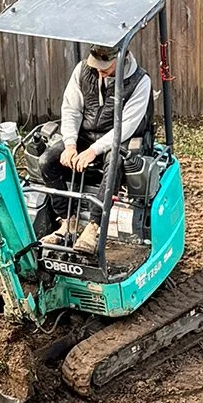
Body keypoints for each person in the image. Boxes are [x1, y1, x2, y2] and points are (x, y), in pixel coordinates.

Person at [40, 44, 152, 253]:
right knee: (46, 161)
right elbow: (71, 109)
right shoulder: (82, 71)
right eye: (96, 65)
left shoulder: (140, 81)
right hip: (85, 136)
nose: (99, 70)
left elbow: (125, 126)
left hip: (119, 140)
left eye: (105, 66)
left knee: (115, 161)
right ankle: (68, 222)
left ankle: (93, 226)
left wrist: (94, 150)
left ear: (122, 57)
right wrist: (70, 145)